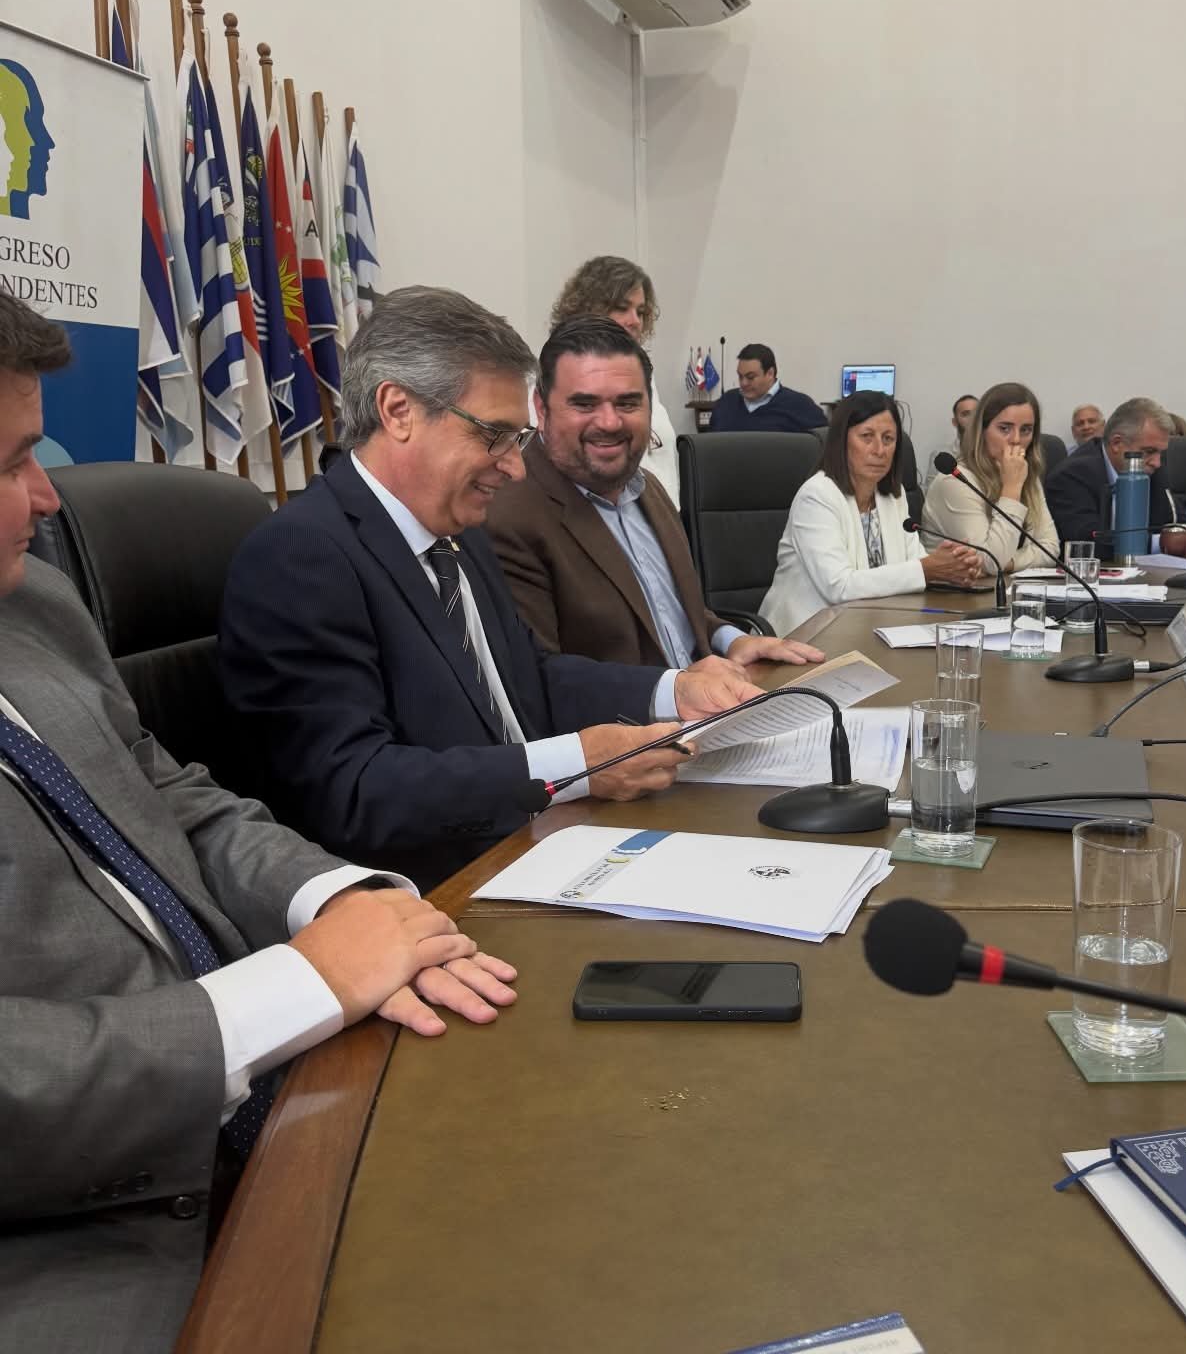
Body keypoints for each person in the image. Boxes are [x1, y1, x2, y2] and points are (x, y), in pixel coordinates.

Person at [0, 291, 519, 1352]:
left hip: (284, 1099)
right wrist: (297, 988)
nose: (46, 498)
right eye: (8, 465)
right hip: (79, 1241)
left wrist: (344, 898)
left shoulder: (33, 609)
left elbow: (171, 796)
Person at [220, 287, 761, 892]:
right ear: (398, 411)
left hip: (546, 848)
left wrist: (672, 690)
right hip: (438, 893)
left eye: (518, 438)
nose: (515, 466)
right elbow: (354, 788)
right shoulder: (303, 555)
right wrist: (577, 766)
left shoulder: (459, 534)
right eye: (493, 435)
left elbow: (529, 676)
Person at [486, 316, 824, 670]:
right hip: (650, 706)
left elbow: (673, 615)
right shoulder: (509, 516)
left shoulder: (646, 487)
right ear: (541, 409)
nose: (609, 422)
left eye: (628, 403)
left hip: (716, 690)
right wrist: (678, 688)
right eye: (584, 404)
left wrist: (733, 640)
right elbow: (539, 677)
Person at [760, 391, 981, 634]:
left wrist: (952, 567)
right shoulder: (817, 496)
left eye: (888, 439)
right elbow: (839, 587)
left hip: (874, 629)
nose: (879, 450)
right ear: (841, 441)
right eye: (867, 437)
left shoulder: (892, 496)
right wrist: (928, 569)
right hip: (806, 636)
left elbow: (915, 562)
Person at [548, 255, 679, 502]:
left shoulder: (644, 377)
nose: (635, 321)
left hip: (660, 516)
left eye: (641, 312)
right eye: (622, 308)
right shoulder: (557, 374)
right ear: (587, 307)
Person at [1045, 397, 1186, 557]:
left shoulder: (1151, 468)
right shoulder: (1071, 476)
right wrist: (1168, 543)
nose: (1157, 462)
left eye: (1161, 453)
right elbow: (1086, 543)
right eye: (1149, 451)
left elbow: (1176, 519)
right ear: (1117, 443)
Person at [921, 382, 1061, 573]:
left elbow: (1051, 548)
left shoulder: (1024, 474)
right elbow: (990, 561)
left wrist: (1009, 563)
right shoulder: (954, 481)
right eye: (1004, 428)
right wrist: (1012, 489)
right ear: (982, 431)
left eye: (1026, 430)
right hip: (950, 591)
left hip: (1003, 585)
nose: (1016, 439)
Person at [705, 343, 828, 433]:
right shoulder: (726, 402)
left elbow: (824, 445)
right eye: (740, 376)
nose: (743, 383)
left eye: (750, 377)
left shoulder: (801, 406)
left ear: (770, 373)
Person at [924, 393, 979, 483]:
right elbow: (931, 489)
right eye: (966, 414)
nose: (973, 419)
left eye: (976, 414)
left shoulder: (994, 452)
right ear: (955, 422)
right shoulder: (941, 456)